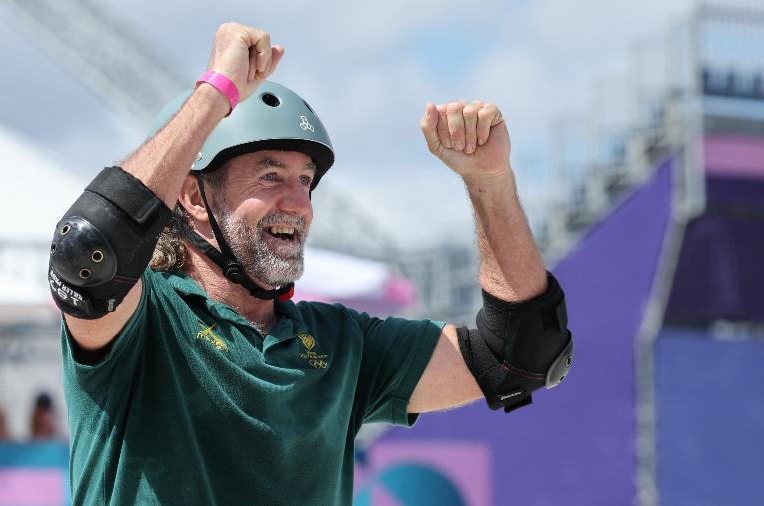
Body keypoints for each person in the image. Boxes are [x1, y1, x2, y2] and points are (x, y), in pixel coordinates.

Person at [48, 22, 574, 505]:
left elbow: (521, 357)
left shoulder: (342, 344)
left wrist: (490, 182)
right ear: (191, 197)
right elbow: (88, 252)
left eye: (305, 181)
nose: (298, 203)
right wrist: (217, 93)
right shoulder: (144, 321)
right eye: (270, 176)